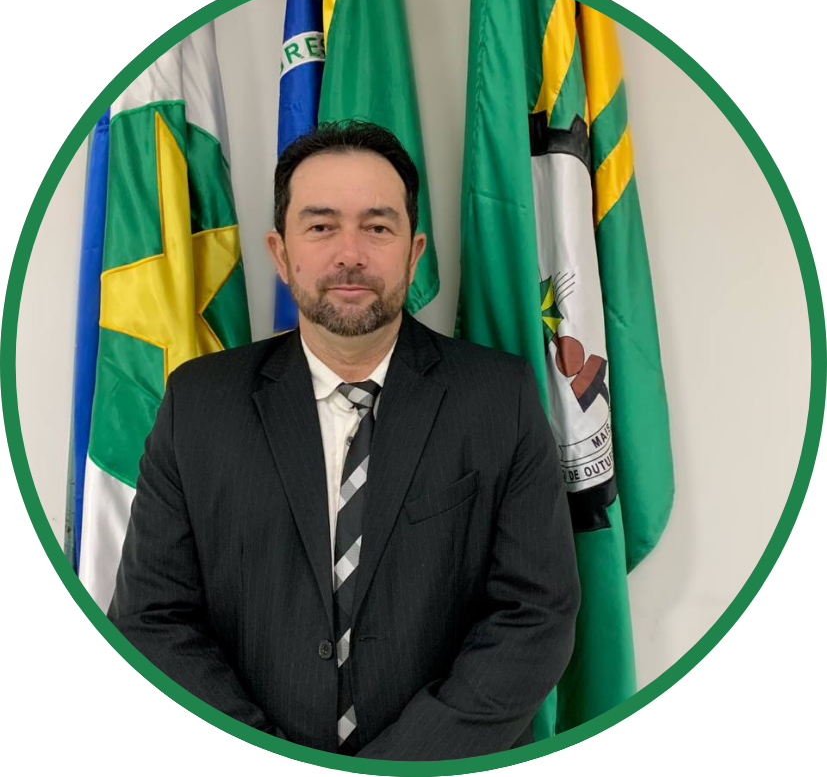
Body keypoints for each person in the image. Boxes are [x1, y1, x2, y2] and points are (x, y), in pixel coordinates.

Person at [108, 119, 581, 760]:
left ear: (414, 252)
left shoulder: (500, 398)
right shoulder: (198, 405)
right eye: (321, 226)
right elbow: (151, 619)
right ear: (280, 253)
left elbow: (536, 614)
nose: (350, 253)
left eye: (377, 227)